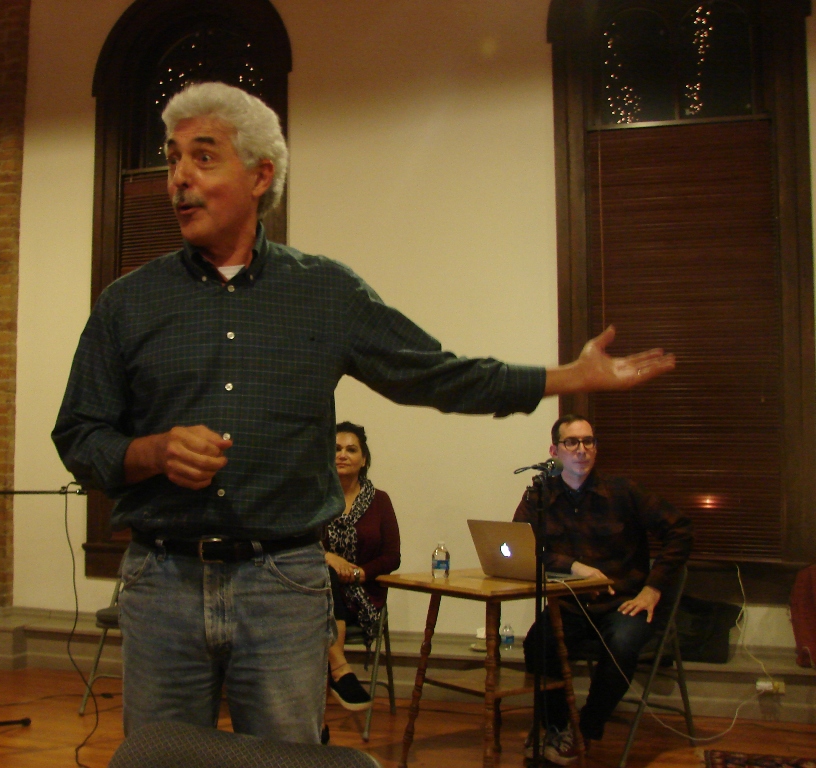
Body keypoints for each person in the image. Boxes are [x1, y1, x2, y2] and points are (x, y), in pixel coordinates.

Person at [52, 81, 676, 745]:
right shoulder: (128, 303)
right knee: (161, 760)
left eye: (202, 157)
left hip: (283, 584)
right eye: (172, 158)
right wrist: (147, 452)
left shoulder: (325, 292)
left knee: (286, 762)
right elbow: (79, 435)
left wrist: (566, 377)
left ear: (261, 175)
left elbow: (436, 374)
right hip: (161, 581)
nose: (178, 176)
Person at [513, 414, 693, 765]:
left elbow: (680, 531)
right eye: (572, 442)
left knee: (622, 645)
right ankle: (556, 726)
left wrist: (653, 588)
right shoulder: (540, 495)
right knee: (538, 642)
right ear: (554, 451)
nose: (581, 450)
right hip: (571, 603)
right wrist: (573, 566)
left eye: (588, 441)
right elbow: (522, 547)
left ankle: (586, 729)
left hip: (624, 602)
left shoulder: (623, 492)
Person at [324, 422, 400, 711]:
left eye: (351, 449)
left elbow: (392, 557)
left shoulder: (380, 501)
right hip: (317, 592)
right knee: (323, 575)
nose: (342, 455)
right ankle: (339, 669)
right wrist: (327, 557)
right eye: (336, 449)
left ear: (364, 459)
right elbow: (298, 544)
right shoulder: (315, 500)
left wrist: (358, 573)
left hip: (364, 595)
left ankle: (335, 673)